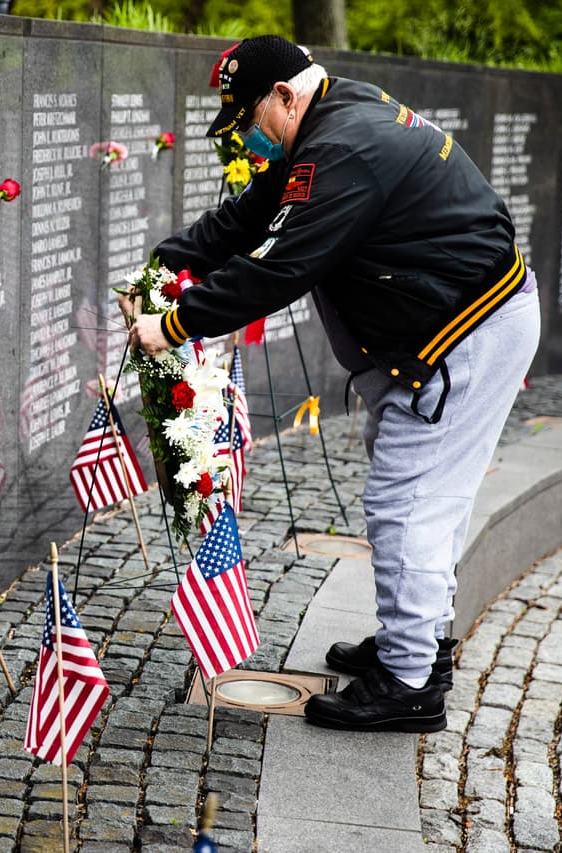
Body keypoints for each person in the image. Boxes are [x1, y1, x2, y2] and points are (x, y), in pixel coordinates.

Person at [120, 34, 540, 732]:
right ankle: (418, 647)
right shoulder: (330, 123)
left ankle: (409, 685)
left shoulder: (345, 148)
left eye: (251, 122)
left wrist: (174, 323)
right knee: (419, 496)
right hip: (448, 324)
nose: (251, 140)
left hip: (467, 331)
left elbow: (281, 267)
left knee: (408, 499)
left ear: (286, 95)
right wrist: (164, 263)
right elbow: (250, 214)